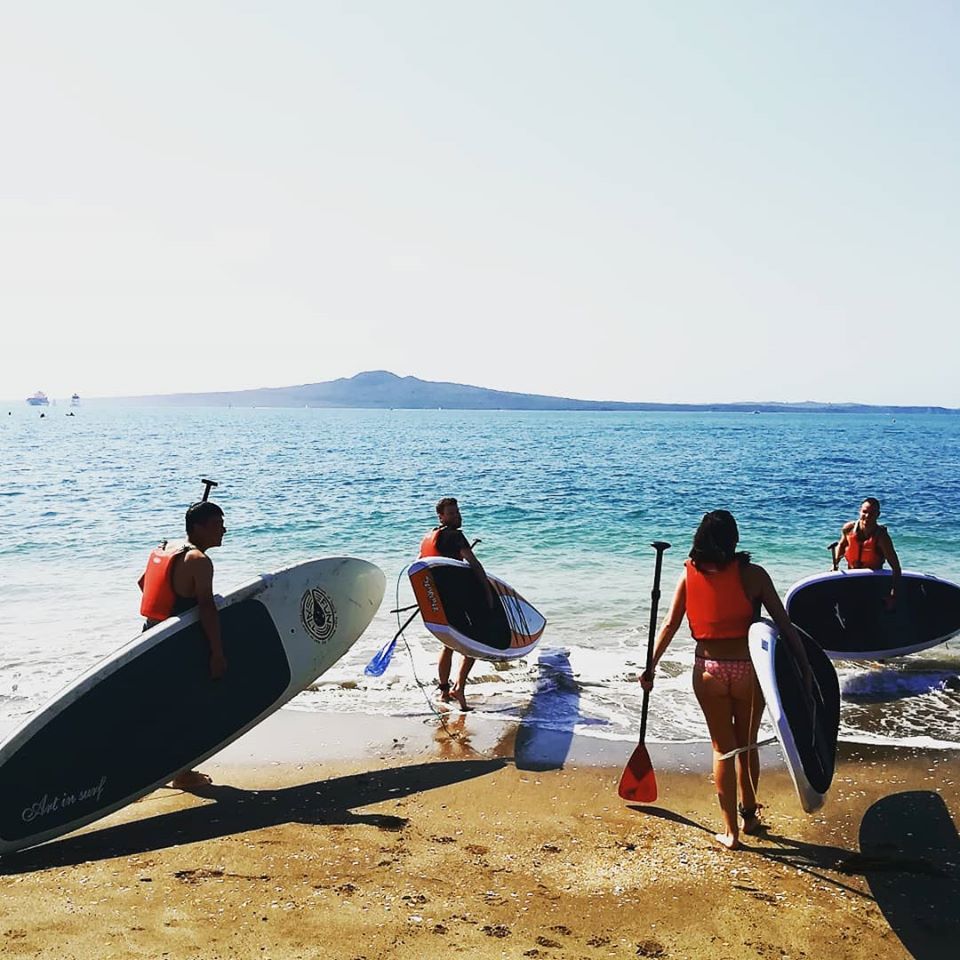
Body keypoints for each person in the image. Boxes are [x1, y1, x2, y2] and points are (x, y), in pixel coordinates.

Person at [641, 510, 812, 850]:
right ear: (734, 540)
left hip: (708, 670)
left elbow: (670, 625)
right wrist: (805, 667)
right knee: (746, 746)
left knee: (722, 750)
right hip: (748, 671)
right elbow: (784, 624)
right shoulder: (755, 575)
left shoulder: (687, 575)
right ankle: (749, 817)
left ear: (699, 539)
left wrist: (650, 667)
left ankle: (730, 832)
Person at [138, 500, 228, 788]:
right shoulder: (199, 561)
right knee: (188, 707)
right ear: (198, 528)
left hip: (150, 635)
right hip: (176, 646)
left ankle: (157, 768)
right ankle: (182, 774)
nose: (224, 530)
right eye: (217, 524)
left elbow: (143, 583)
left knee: (163, 706)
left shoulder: (168, 548)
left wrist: (173, 599)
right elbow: (207, 609)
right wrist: (217, 653)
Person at [419, 497, 494, 711]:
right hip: (456, 599)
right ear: (441, 517)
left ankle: (444, 691)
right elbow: (474, 564)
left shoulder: (429, 538)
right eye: (451, 513)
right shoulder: (456, 536)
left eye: (457, 512)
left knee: (448, 645)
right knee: (472, 643)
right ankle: (459, 688)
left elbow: (421, 566)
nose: (457, 516)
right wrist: (487, 591)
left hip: (439, 601)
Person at [832, 497, 902, 606]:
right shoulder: (848, 529)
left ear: (878, 515)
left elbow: (896, 568)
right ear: (859, 511)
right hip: (851, 578)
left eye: (872, 513)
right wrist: (835, 564)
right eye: (864, 512)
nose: (867, 516)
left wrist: (893, 595)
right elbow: (841, 545)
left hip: (873, 582)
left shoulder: (882, 537)